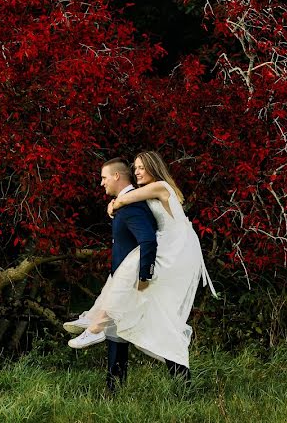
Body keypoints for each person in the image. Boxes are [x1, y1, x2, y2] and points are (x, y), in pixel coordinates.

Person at [64, 151, 217, 385]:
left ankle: (96, 325)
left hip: (176, 245)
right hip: (170, 243)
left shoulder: (160, 186)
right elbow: (130, 199)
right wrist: (115, 203)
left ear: (153, 168)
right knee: (135, 289)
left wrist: (115, 204)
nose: (137, 172)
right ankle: (96, 323)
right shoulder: (150, 194)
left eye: (141, 168)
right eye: (134, 168)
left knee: (129, 269)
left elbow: (127, 199)